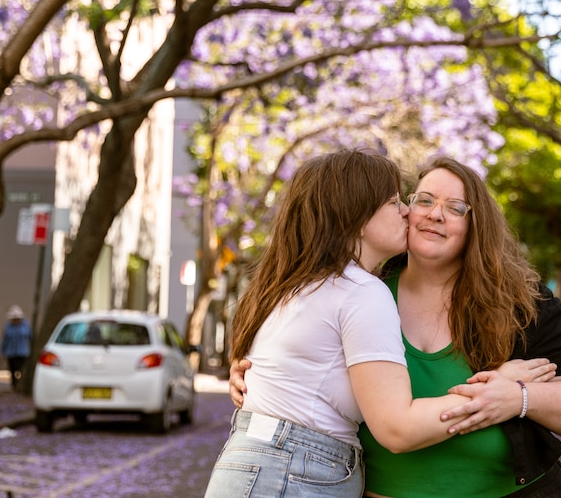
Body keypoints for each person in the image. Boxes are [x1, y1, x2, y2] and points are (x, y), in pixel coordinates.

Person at [231, 156, 561, 498]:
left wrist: (518, 398)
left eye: (455, 208)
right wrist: (260, 375)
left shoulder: (520, 301)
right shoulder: (363, 292)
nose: (435, 214)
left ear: (477, 226)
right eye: (423, 200)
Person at [204, 149, 480, 498]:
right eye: (395, 202)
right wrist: (497, 394)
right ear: (357, 217)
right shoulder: (361, 292)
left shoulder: (291, 284)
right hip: (295, 471)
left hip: (253, 461)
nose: (408, 212)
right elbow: (398, 428)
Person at [0, 304, 32, 391]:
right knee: (13, 371)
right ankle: (14, 387)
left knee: (22, 370)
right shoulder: (8, 326)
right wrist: (2, 352)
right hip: (11, 352)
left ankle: (21, 386)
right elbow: (5, 340)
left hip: (22, 352)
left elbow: (30, 337)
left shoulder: (25, 325)